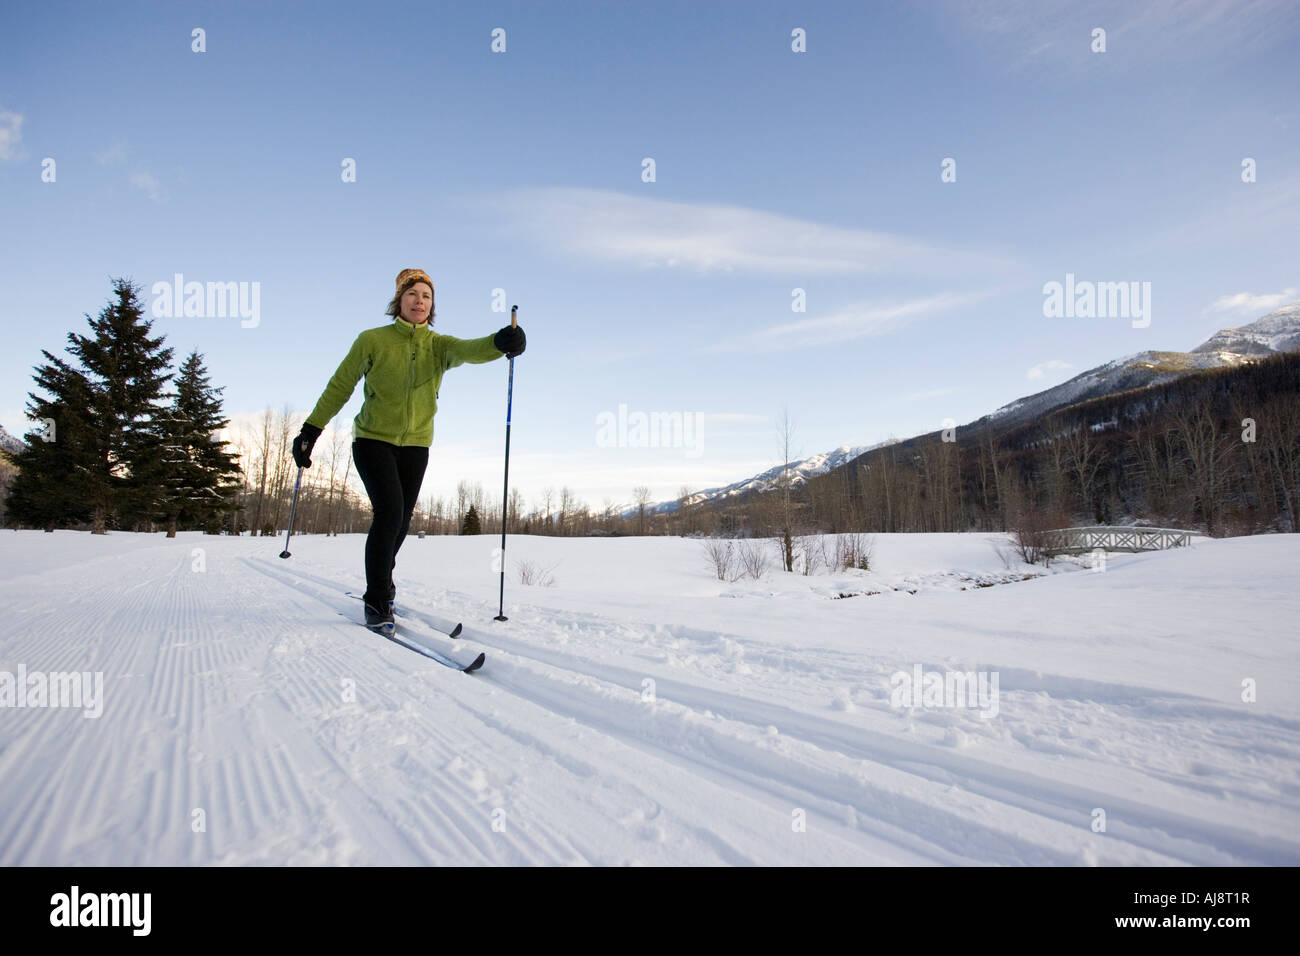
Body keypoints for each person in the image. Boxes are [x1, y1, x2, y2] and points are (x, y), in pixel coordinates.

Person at [292, 268, 526, 631]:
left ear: (432, 306)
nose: (420, 301)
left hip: (417, 444)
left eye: (426, 296)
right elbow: (340, 385)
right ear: (398, 300)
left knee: (400, 522)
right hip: (372, 439)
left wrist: (502, 341)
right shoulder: (372, 340)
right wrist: (312, 428)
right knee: (389, 513)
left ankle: (383, 581)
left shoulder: (439, 346)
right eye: (413, 294)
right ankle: (377, 597)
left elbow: (472, 349)